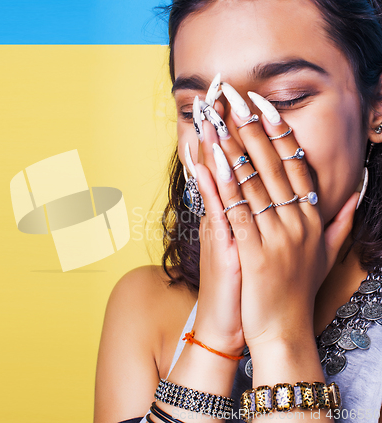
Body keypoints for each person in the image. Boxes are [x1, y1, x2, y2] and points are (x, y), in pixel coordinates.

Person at [94, 0, 382, 422]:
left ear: (376, 108)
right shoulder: (144, 307)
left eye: (285, 99)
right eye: (197, 111)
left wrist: (282, 336)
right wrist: (211, 337)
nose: (232, 142)